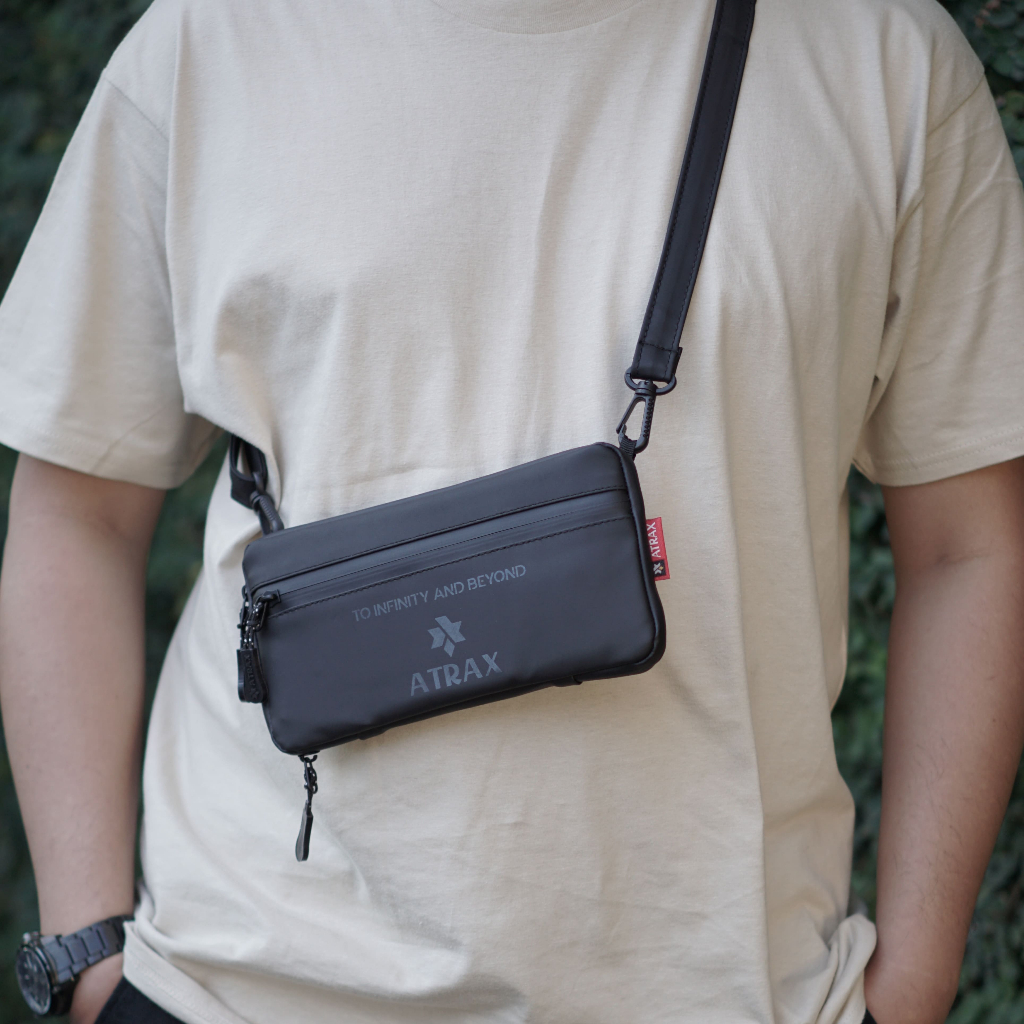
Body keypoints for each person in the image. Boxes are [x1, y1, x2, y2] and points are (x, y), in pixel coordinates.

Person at [1, 0, 1023, 1021]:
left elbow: (967, 544)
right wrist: (88, 954)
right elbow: (81, 509)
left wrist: (915, 983)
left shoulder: (883, 57)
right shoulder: (208, 45)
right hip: (239, 984)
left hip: (740, 994)